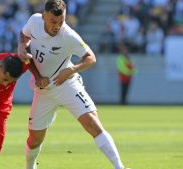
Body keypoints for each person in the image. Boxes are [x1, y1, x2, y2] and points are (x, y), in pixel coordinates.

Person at [17, 1, 129, 169]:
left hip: (66, 85)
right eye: (53, 21)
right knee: (35, 138)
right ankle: (30, 167)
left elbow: (91, 58)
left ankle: (119, 167)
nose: (57, 26)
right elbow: (23, 36)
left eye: (61, 21)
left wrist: (71, 70)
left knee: (92, 123)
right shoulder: (34, 21)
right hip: (43, 90)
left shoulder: (69, 36)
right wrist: (21, 46)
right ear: (44, 16)